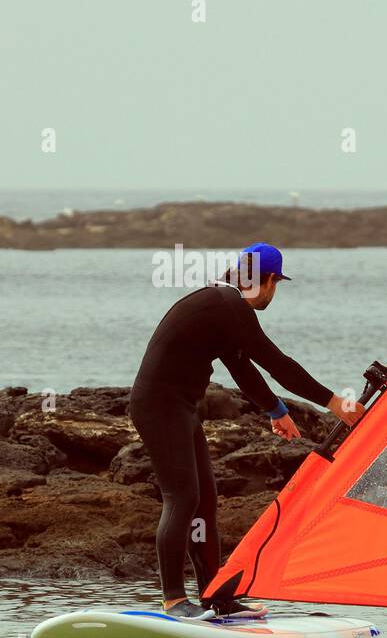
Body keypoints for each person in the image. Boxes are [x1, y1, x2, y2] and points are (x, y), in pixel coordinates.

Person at [129, 243, 361, 616]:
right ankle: (173, 600)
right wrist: (335, 403)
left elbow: (241, 366)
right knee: (182, 497)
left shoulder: (222, 305)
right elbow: (276, 363)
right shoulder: (227, 306)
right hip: (159, 408)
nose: (274, 293)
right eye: (277, 284)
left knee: (205, 500)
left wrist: (275, 409)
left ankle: (215, 597)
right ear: (268, 279)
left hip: (179, 408)